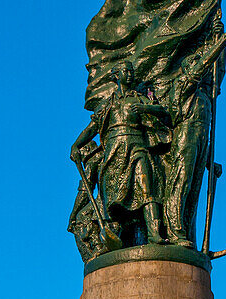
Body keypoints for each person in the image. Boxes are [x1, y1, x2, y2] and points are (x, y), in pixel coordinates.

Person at [163, 18, 226, 247]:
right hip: (185, 138)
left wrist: (211, 160)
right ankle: (174, 230)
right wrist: (223, 39)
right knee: (181, 181)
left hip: (200, 140)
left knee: (194, 189)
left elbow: (216, 72)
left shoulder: (205, 97)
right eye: (194, 63)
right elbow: (204, 64)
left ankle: (186, 234)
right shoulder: (183, 85)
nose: (198, 65)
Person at [70, 62, 170, 245]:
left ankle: (154, 233)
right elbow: (93, 128)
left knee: (147, 188)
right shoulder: (108, 103)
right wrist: (76, 145)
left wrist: (145, 108)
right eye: (126, 71)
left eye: (132, 71)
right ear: (116, 75)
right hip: (114, 150)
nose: (130, 74)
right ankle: (114, 236)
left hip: (137, 145)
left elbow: (162, 111)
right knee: (113, 196)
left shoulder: (139, 98)